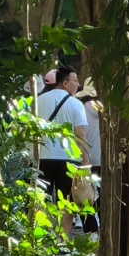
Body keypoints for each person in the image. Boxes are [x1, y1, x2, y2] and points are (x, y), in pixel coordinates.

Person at [37, 65, 89, 199]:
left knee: (40, 202)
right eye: (75, 80)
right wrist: (85, 165)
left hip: (42, 158)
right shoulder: (76, 104)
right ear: (65, 83)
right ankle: (66, 222)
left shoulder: (38, 101)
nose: (78, 84)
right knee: (66, 204)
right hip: (68, 159)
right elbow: (80, 136)